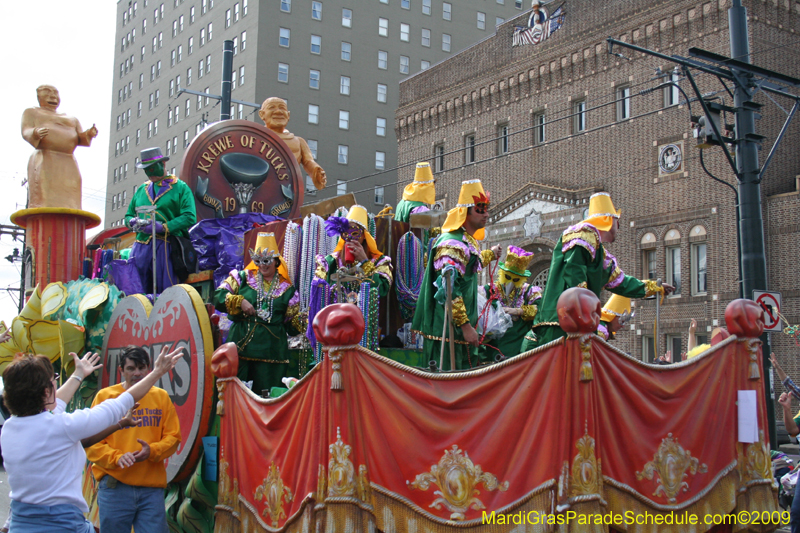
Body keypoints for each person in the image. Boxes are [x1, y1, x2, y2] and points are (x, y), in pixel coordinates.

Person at [0, 347, 182, 533]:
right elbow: (121, 403)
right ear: (46, 392)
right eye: (53, 381)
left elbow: (56, 406)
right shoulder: (63, 426)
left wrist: (78, 375)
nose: (56, 385)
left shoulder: (9, 428)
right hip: (62, 524)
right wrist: (158, 372)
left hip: (21, 523)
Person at [521, 192, 674, 351]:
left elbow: (621, 283)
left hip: (579, 322)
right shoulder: (584, 233)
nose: (619, 226)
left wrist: (654, 287)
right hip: (562, 320)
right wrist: (586, 308)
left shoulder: (599, 252)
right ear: (608, 220)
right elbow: (574, 270)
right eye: (617, 220)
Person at [86, 346, 182, 533]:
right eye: (131, 368)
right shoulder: (105, 397)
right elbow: (92, 443)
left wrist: (152, 451)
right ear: (121, 370)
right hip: (115, 486)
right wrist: (117, 458)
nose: (137, 373)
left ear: (148, 368)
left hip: (151, 490)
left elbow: (173, 437)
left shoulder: (161, 397)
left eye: (141, 368)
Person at [412, 179, 502, 370]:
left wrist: (491, 255)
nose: (486, 214)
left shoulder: (465, 241)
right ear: (465, 211)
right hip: (446, 332)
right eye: (480, 209)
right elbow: (449, 288)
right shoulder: (451, 243)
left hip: (460, 331)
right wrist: (466, 327)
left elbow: (469, 265)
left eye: (486, 208)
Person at [213, 232, 304, 394]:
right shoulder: (241, 278)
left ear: (276, 261)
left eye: (267, 260)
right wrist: (240, 301)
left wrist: (304, 320)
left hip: (271, 355)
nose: (262, 265)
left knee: (266, 399)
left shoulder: (288, 291)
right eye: (258, 261)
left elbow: (291, 327)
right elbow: (218, 297)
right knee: (235, 395)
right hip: (240, 350)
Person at [125, 146, 198, 293]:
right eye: (146, 170)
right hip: (140, 250)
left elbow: (190, 217)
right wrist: (132, 222)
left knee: (166, 293)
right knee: (137, 292)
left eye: (152, 168)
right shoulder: (141, 190)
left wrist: (165, 227)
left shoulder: (180, 188)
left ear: (163, 164)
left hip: (166, 248)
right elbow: (128, 216)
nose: (149, 173)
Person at [21, 85, 98, 210]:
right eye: (47, 93)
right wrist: (35, 133)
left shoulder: (72, 119)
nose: (53, 96)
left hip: (68, 161)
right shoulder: (32, 112)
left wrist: (89, 134)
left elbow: (80, 138)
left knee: (71, 195)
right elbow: (26, 131)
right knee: (45, 193)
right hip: (45, 157)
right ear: (39, 96)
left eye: (55, 93)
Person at [478, 246, 542, 359]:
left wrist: (518, 311)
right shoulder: (489, 290)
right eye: (508, 277)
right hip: (491, 347)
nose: (511, 282)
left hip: (518, 347)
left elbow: (540, 310)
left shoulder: (529, 291)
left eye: (516, 279)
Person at [259, 97, 326, 190]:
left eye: (282, 108)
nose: (278, 111)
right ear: (262, 114)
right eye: (272, 108)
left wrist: (316, 171)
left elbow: (308, 161)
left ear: (288, 115)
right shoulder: (257, 138)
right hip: (263, 188)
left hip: (289, 188)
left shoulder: (298, 141)